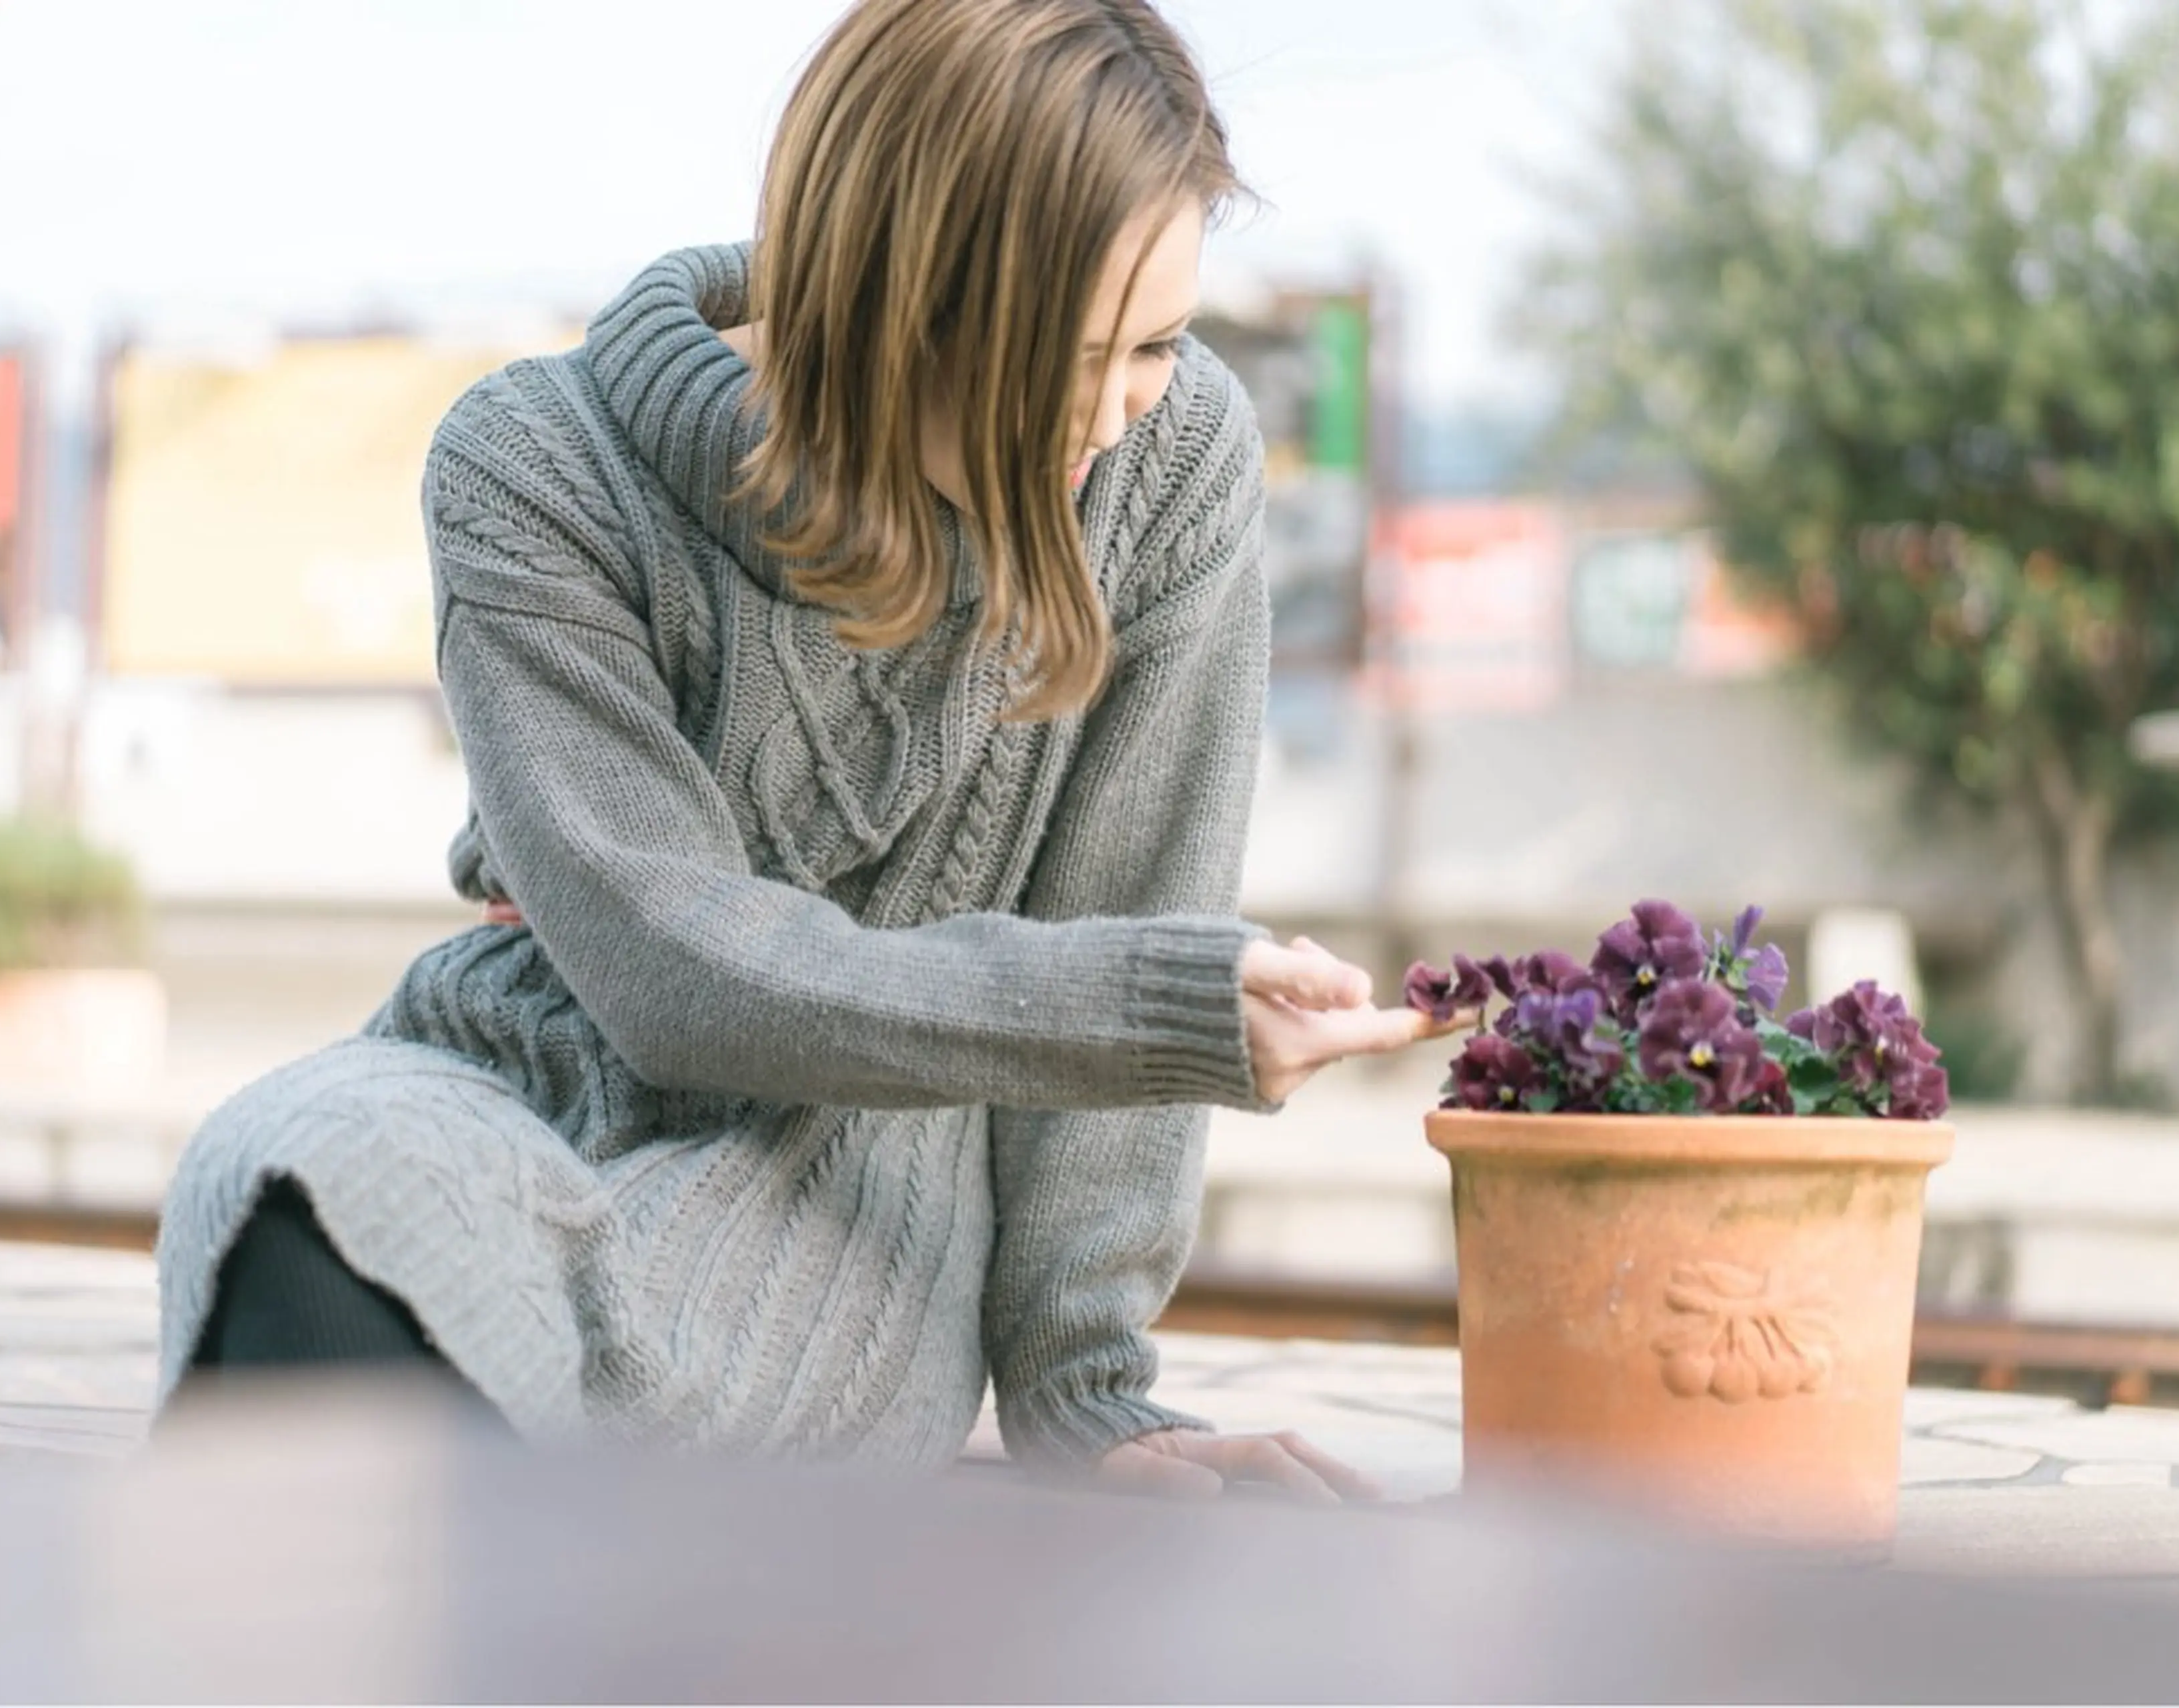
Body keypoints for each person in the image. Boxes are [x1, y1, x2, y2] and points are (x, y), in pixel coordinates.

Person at [155, 0, 1454, 1503]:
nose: (1108, 410)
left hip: (850, 1188)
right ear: (887, 293)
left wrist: (1088, 1396)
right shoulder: (535, 465)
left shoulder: (1169, 467)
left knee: (634, 1405)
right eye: (1058, 355)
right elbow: (672, 967)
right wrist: (1145, 1000)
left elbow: (1136, 884)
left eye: (1154, 343)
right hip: (503, 1069)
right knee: (300, 1187)